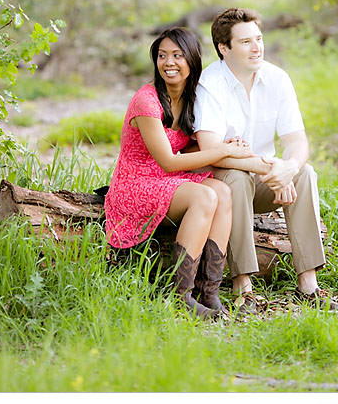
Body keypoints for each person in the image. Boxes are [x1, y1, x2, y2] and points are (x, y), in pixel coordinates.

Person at [193, 7, 336, 315]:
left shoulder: (277, 79)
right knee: (235, 177)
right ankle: (243, 287)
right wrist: (272, 168)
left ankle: (308, 285)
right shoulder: (210, 83)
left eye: (258, 38)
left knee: (306, 172)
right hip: (229, 182)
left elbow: (297, 141)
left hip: (267, 179)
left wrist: (289, 168)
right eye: (245, 42)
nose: (257, 47)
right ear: (224, 48)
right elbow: (210, 147)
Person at [105, 27, 254, 320]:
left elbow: (192, 149)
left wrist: (226, 145)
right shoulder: (146, 101)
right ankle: (179, 295)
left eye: (177, 55)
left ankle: (208, 290)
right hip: (136, 183)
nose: (168, 62)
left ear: (192, 60)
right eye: (162, 56)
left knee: (222, 192)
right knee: (204, 197)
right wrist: (224, 152)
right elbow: (169, 162)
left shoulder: (192, 98)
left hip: (166, 181)